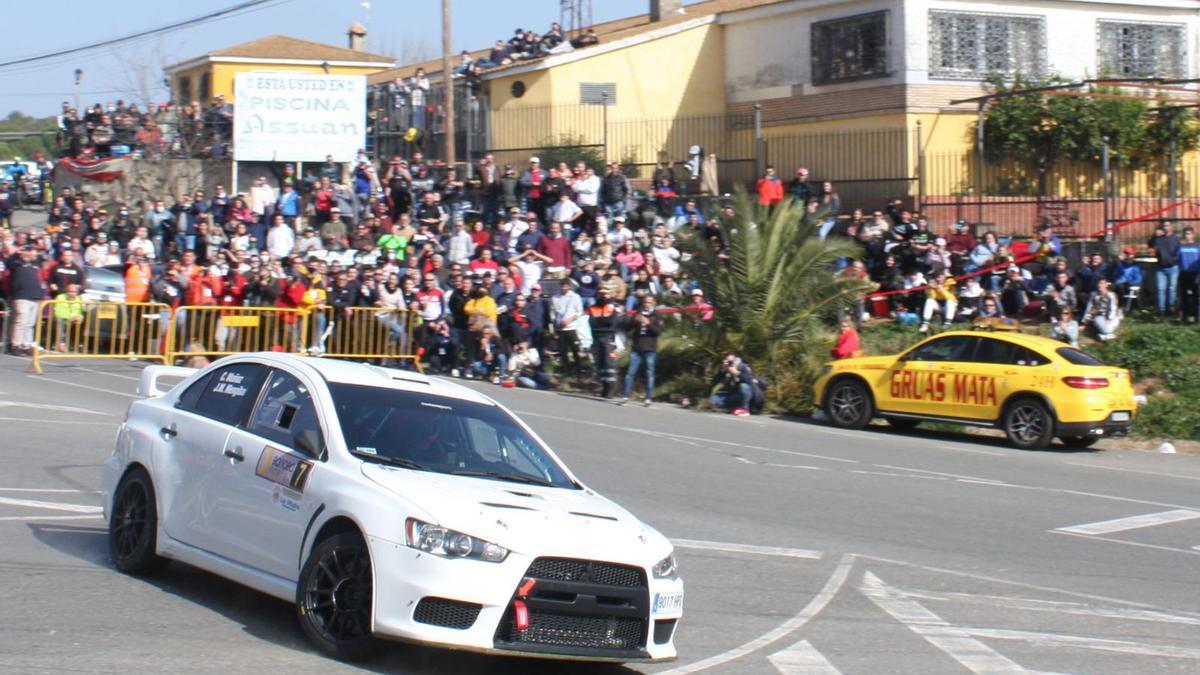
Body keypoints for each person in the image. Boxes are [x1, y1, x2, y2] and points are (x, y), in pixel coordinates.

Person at [618, 294, 662, 406]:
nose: (647, 305)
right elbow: (628, 328)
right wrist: (634, 321)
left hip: (650, 348)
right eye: (645, 302)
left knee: (649, 374)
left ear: (653, 303)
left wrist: (648, 323)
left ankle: (648, 398)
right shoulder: (639, 312)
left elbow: (658, 331)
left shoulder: (657, 315)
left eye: (649, 302)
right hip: (637, 347)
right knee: (630, 373)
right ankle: (625, 396)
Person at [586, 287, 620, 398]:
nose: (603, 296)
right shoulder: (593, 307)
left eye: (606, 294)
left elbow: (610, 321)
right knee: (599, 363)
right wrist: (601, 320)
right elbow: (592, 323)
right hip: (596, 337)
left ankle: (610, 388)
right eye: (601, 294)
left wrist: (599, 319)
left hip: (607, 337)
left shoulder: (612, 307)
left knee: (609, 363)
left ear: (609, 295)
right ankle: (603, 387)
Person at [1148, 222, 1181, 315]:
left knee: (1172, 289)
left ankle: (1171, 308)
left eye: (1167, 226)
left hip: (1173, 267)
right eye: (1164, 226)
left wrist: (1174, 260)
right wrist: (1154, 235)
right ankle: (1161, 310)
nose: (1165, 228)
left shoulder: (1175, 238)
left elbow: (1180, 251)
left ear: (1171, 227)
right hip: (1161, 267)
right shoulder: (1158, 238)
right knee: (1161, 289)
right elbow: (1150, 245)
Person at [1179, 227, 1200, 323]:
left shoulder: (1197, 246)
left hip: (1195, 273)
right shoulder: (1180, 246)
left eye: (1189, 234)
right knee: (1184, 295)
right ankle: (1185, 316)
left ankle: (1196, 316)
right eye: (1185, 234)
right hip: (1184, 273)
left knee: (1196, 295)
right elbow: (1175, 257)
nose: (1187, 236)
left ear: (1193, 235)